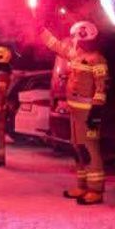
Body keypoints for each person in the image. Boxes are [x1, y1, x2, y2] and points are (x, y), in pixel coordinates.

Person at [41, 20, 109, 204]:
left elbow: (102, 88)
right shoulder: (76, 55)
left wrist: (96, 112)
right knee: (78, 148)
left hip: (88, 114)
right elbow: (56, 46)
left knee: (91, 149)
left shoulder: (98, 60)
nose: (74, 42)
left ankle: (96, 190)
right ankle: (82, 185)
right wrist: (41, 29)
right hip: (75, 113)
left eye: (78, 39)